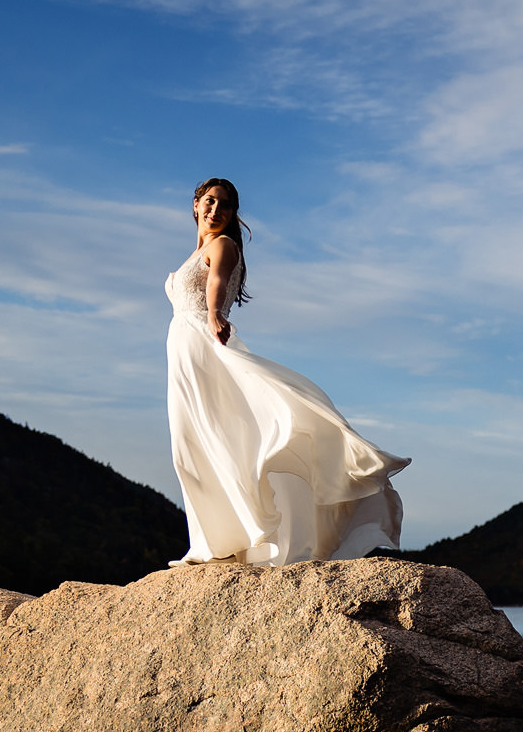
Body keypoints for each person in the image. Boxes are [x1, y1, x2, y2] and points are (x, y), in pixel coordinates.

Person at [164, 178, 408, 566]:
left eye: (225, 205)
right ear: (195, 205)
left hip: (202, 344)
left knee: (212, 440)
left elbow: (217, 280)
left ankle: (223, 544)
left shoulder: (222, 246)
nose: (216, 209)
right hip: (184, 353)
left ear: (231, 215)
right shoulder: (197, 251)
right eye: (210, 201)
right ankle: (216, 541)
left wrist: (213, 314)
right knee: (192, 447)